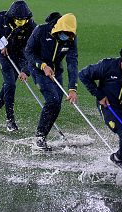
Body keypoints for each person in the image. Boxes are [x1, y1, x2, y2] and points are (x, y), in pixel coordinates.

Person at [79, 45, 122, 184]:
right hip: (110, 107)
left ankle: (118, 157)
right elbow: (83, 74)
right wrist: (99, 94)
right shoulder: (107, 66)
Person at [25, 12, 78, 151]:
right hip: (38, 69)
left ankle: (43, 136)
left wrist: (73, 88)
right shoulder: (41, 30)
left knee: (57, 105)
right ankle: (39, 137)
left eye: (69, 34)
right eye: (64, 33)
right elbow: (28, 52)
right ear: (58, 27)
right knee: (52, 100)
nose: (66, 36)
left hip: (56, 71)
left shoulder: (71, 38)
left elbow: (72, 62)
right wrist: (42, 65)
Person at [0, 0, 36, 131]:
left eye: (23, 20)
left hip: (20, 55)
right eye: (18, 20)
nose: (21, 23)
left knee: (8, 87)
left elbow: (32, 51)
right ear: (11, 16)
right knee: (10, 84)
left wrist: (25, 71)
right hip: (4, 55)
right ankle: (10, 120)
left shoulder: (31, 26)